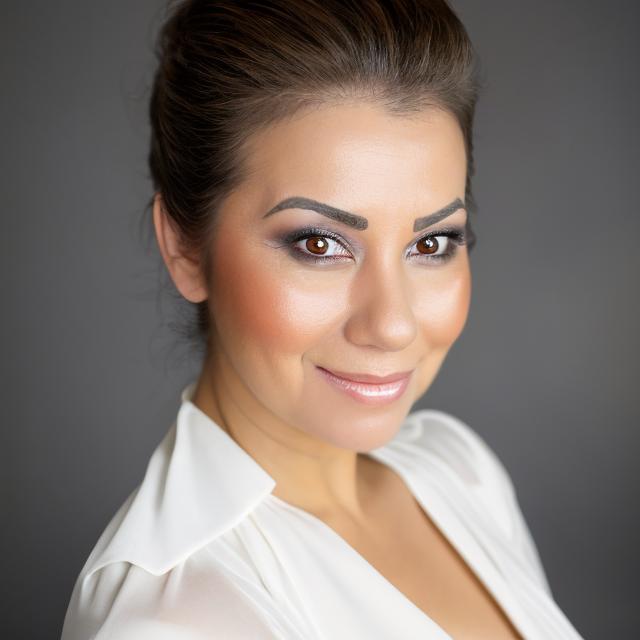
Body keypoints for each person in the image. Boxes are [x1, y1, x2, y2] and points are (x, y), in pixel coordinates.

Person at [61, 1, 584, 638]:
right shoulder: (172, 619)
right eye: (319, 244)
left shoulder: (458, 470)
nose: (392, 325)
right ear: (184, 249)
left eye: (431, 243)